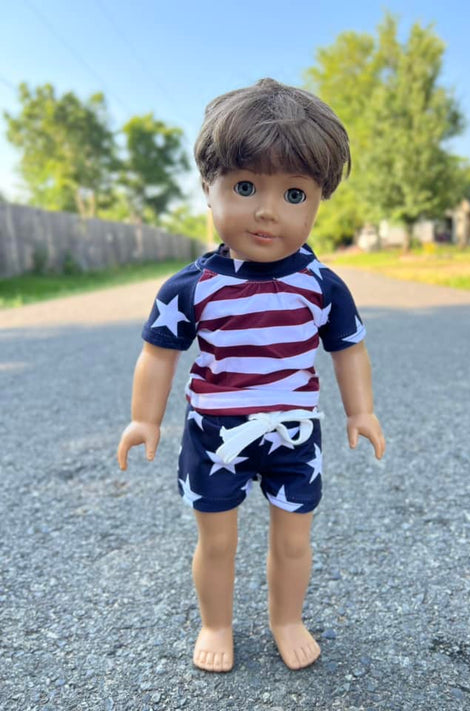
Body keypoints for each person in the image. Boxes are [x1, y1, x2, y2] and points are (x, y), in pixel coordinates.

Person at [117, 78, 385, 673]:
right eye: (244, 187)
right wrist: (144, 418)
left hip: (294, 433)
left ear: (319, 202)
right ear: (207, 188)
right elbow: (158, 354)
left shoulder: (322, 286)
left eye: (294, 193)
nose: (267, 209)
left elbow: (349, 349)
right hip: (215, 433)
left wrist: (360, 410)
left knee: (293, 539)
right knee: (217, 540)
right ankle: (216, 623)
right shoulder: (193, 287)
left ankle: (286, 617)